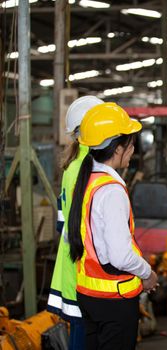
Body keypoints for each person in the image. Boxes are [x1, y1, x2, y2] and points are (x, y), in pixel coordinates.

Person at [68, 102, 158, 350]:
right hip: (114, 301)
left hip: (88, 295)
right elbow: (120, 255)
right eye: (130, 145)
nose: (132, 151)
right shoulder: (111, 190)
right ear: (118, 149)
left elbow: (74, 238)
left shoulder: (87, 182)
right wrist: (148, 273)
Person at [47, 96, 104, 350]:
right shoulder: (88, 167)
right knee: (84, 335)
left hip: (72, 260)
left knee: (81, 332)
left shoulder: (73, 165)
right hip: (83, 265)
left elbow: (62, 223)